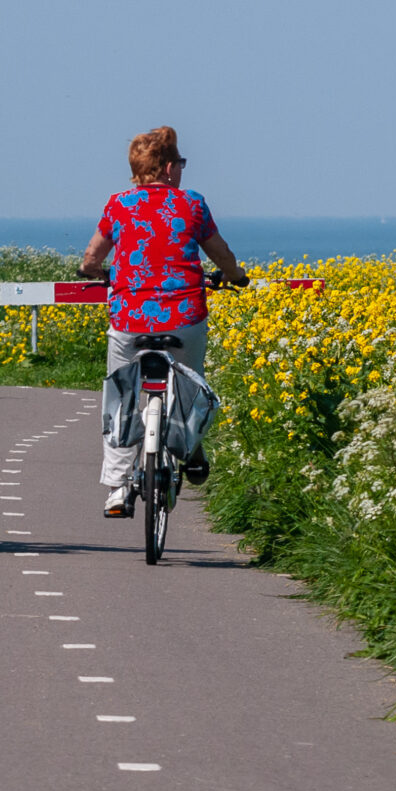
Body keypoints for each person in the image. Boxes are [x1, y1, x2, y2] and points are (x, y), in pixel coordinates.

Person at [78, 126, 247, 518]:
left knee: (120, 396)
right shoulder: (191, 205)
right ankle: (189, 446)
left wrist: (95, 272)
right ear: (169, 167)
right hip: (184, 317)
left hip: (129, 321)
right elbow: (220, 253)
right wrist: (236, 275)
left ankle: (118, 489)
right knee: (191, 382)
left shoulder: (119, 205)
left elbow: (91, 258)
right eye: (181, 163)